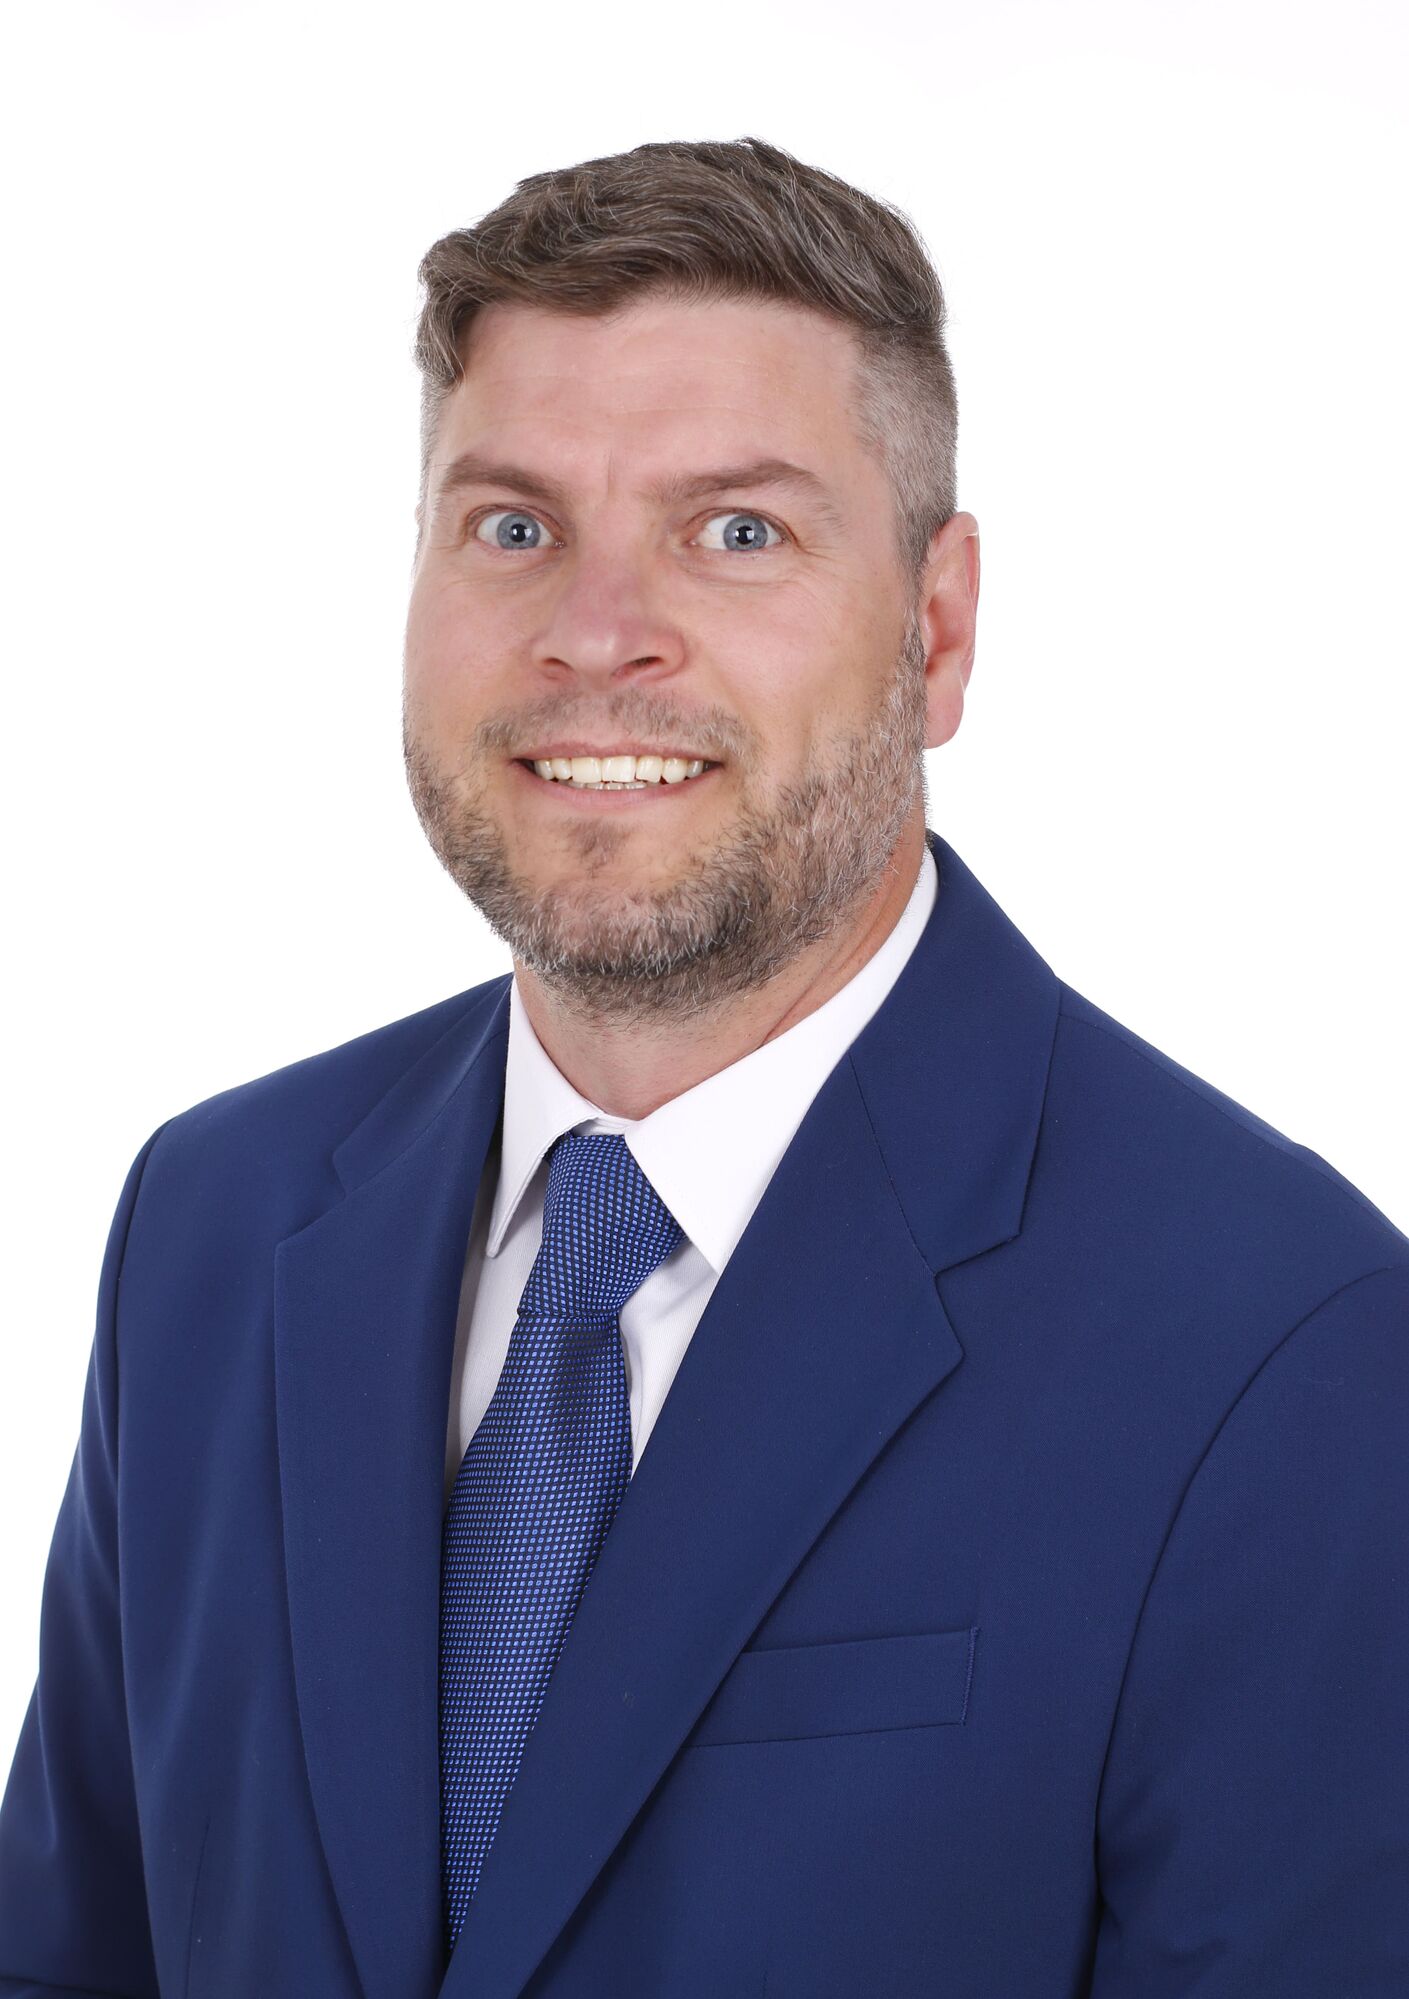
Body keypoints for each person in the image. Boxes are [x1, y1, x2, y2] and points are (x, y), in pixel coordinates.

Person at [0, 134, 1404, 1999]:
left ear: (934, 628)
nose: (595, 636)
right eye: (512, 528)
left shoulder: (1283, 1344)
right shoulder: (213, 1222)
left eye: (735, 531)